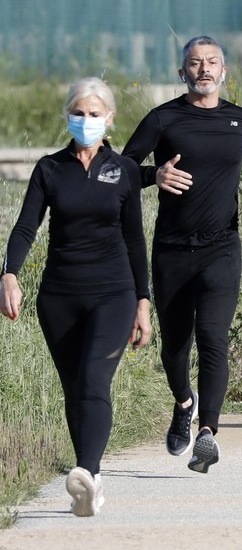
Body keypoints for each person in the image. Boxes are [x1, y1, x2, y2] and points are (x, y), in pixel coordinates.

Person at [123, 36, 242, 474]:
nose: (204, 69)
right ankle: (184, 402)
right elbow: (121, 167)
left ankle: (207, 433)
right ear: (182, 72)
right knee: (175, 346)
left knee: (213, 336)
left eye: (211, 62)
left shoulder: (241, 120)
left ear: (224, 71)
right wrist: (155, 173)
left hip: (221, 247)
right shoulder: (163, 118)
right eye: (195, 63)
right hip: (172, 249)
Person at [1, 77, 151, 515]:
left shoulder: (122, 170)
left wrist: (143, 301)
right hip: (59, 296)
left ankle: (87, 471)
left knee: (93, 380)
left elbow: (135, 240)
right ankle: (92, 485)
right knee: (73, 389)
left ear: (110, 119)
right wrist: (9, 275)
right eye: (79, 113)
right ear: (68, 115)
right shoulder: (50, 169)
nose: (86, 121)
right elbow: (26, 227)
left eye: (94, 114)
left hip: (114, 292)